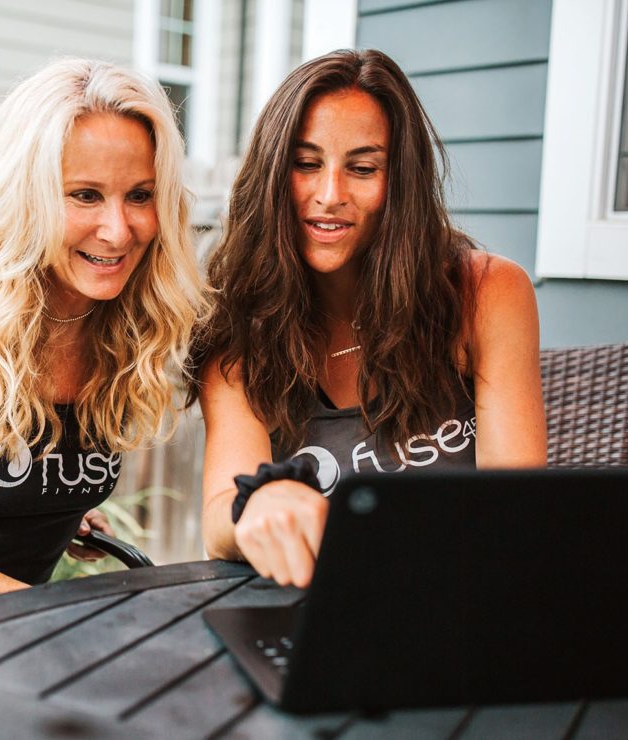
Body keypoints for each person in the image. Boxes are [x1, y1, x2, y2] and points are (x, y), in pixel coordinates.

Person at [187, 49, 547, 589]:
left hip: (466, 604)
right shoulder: (239, 330)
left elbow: (515, 513)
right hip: (320, 621)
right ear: (270, 175)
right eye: (306, 163)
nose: (330, 195)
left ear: (398, 182)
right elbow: (221, 514)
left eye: (362, 168)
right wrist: (260, 500)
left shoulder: (486, 293)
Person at [0, 58, 205, 606]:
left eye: (139, 195)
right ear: (25, 195)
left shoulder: (115, 317)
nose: (117, 230)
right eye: (85, 195)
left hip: (5, 632)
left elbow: (10, 492)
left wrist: (60, 514)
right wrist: (51, 617)